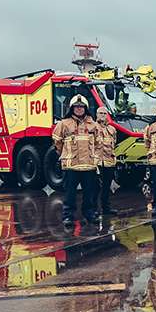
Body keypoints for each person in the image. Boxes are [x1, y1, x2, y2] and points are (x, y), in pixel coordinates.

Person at [52, 94, 99, 227]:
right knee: (70, 194)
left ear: (86, 108)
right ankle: (68, 216)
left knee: (89, 193)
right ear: (72, 108)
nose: (79, 109)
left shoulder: (93, 125)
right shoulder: (63, 124)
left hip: (88, 166)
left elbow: (97, 143)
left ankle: (89, 214)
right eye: (76, 107)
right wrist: (65, 155)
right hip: (71, 166)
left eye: (82, 107)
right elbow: (57, 143)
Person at [94, 106, 118, 216]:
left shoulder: (112, 129)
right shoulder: (92, 128)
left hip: (109, 161)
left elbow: (114, 144)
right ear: (96, 114)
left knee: (106, 187)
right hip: (97, 162)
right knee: (95, 187)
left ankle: (106, 208)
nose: (102, 115)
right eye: (100, 113)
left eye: (104, 113)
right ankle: (94, 210)